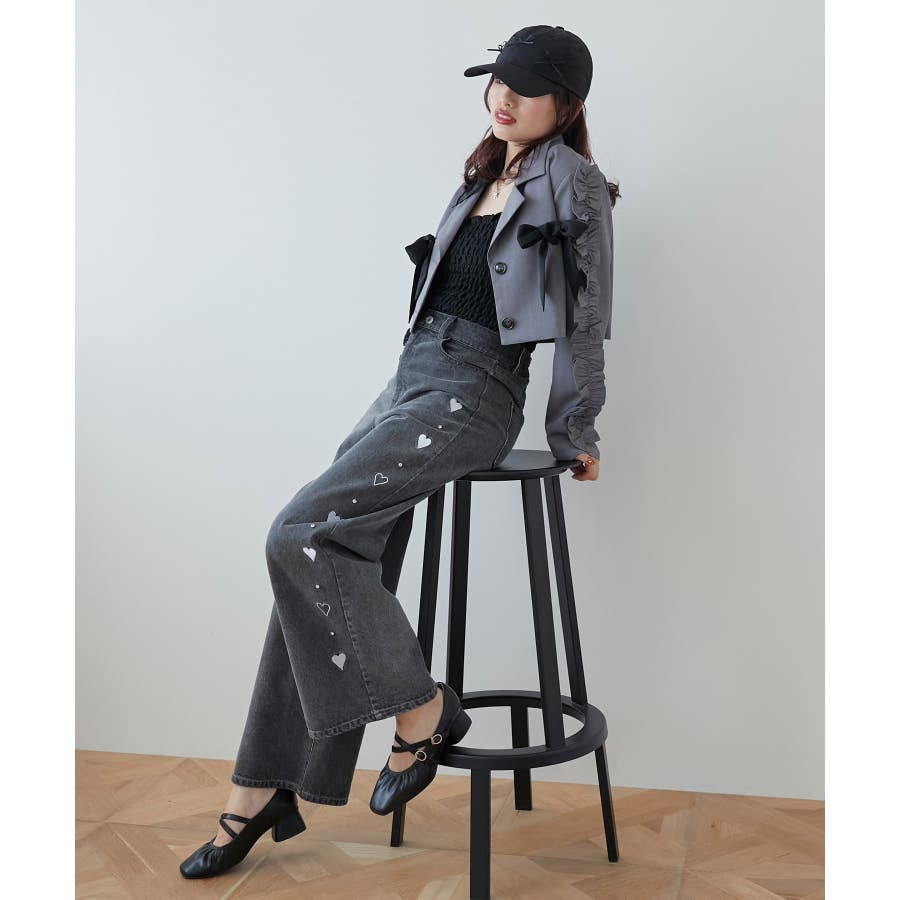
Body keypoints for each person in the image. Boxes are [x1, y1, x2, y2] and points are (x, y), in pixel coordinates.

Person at [179, 23, 617, 879]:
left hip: (476, 392)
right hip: (412, 379)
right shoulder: (484, 172)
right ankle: (264, 786)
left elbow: (588, 313)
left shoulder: (576, 182)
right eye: (498, 79)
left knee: (299, 533)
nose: (503, 96)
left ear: (566, 105)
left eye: (525, 87)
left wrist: (576, 429)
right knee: (312, 559)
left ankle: (421, 711)